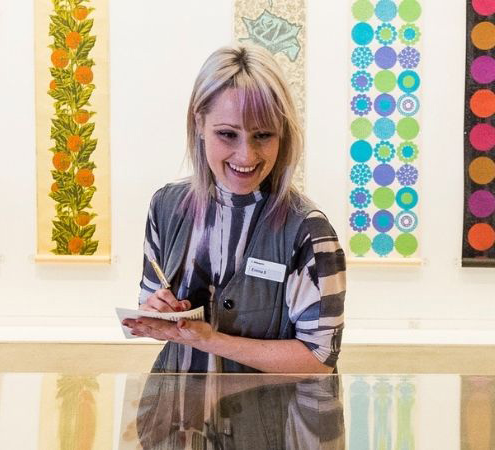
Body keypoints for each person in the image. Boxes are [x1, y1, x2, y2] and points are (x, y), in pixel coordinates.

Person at [123, 44, 345, 374]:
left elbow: (319, 358)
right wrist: (157, 312)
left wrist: (208, 339)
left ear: (282, 133)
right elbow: (148, 301)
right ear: (199, 122)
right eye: (228, 134)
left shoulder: (308, 231)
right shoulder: (166, 206)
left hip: (267, 420)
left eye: (263, 135)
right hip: (175, 417)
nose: (246, 156)